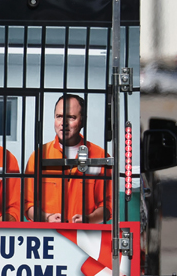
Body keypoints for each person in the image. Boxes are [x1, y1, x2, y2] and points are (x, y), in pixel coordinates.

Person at [23, 94, 111, 223]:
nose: (63, 123)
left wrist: (89, 219)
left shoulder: (100, 156)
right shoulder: (38, 156)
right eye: (59, 117)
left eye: (71, 117)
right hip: (48, 237)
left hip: (84, 238)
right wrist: (47, 218)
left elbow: (108, 205)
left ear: (83, 121)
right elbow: (28, 204)